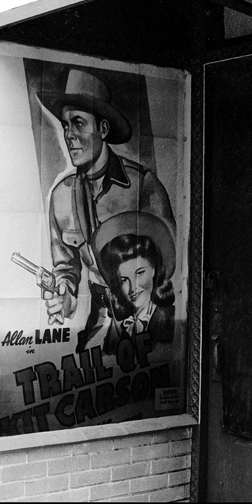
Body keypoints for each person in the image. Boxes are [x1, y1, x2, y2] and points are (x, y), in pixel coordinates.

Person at [36, 68, 175, 352]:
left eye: (78, 123)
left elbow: (168, 260)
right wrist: (64, 293)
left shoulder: (143, 186)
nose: (69, 135)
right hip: (101, 317)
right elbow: (66, 266)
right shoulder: (62, 196)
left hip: (145, 319)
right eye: (65, 125)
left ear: (103, 129)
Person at [89, 211, 176, 354]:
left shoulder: (171, 318)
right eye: (123, 280)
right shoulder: (117, 325)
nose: (132, 288)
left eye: (140, 273)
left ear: (154, 269)